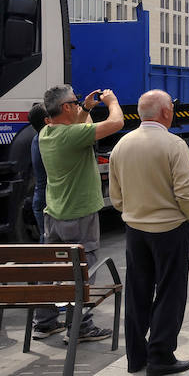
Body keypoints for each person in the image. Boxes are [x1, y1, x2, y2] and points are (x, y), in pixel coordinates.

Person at [108, 90, 189, 376]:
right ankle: (160, 355)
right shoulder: (174, 144)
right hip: (170, 227)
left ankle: (136, 356)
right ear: (166, 112)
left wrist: (131, 212)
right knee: (171, 291)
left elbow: (116, 194)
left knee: (137, 291)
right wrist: (188, 214)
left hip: (135, 227)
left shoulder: (122, 145)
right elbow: (185, 190)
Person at [32, 85, 124, 342]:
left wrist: (84, 109)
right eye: (74, 101)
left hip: (55, 215)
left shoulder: (46, 134)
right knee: (85, 269)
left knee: (53, 271)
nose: (76, 104)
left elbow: (76, 128)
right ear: (65, 107)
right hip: (80, 216)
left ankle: (45, 323)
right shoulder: (71, 136)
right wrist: (112, 101)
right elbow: (116, 122)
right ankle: (80, 327)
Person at [28, 103, 50, 241]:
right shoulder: (47, 141)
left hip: (41, 198)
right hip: (47, 200)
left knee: (46, 238)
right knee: (50, 241)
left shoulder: (37, 139)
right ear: (47, 121)